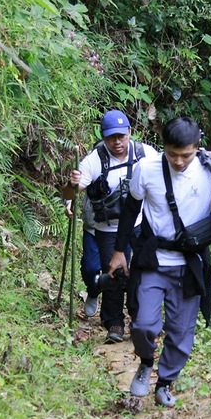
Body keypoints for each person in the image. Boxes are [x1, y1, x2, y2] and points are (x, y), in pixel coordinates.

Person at [108, 117, 211, 407]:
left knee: (181, 333)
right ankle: (145, 363)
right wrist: (119, 251)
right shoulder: (148, 168)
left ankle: (165, 383)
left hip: (189, 264)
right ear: (163, 147)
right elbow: (131, 208)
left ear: (197, 148)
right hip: (154, 260)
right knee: (143, 325)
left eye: (186, 155)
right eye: (172, 154)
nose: (179, 162)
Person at [61, 110, 158, 343]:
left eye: (121, 136)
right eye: (111, 137)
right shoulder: (95, 160)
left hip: (138, 223)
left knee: (142, 272)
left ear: (129, 133)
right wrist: (70, 188)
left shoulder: (146, 154)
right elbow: (70, 192)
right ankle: (114, 323)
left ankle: (139, 319)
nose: (117, 142)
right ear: (104, 137)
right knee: (114, 273)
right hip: (107, 227)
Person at [64, 196, 101, 317]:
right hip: (93, 226)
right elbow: (75, 182)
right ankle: (93, 291)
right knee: (90, 268)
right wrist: (69, 202)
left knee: (115, 272)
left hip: (119, 228)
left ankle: (112, 318)